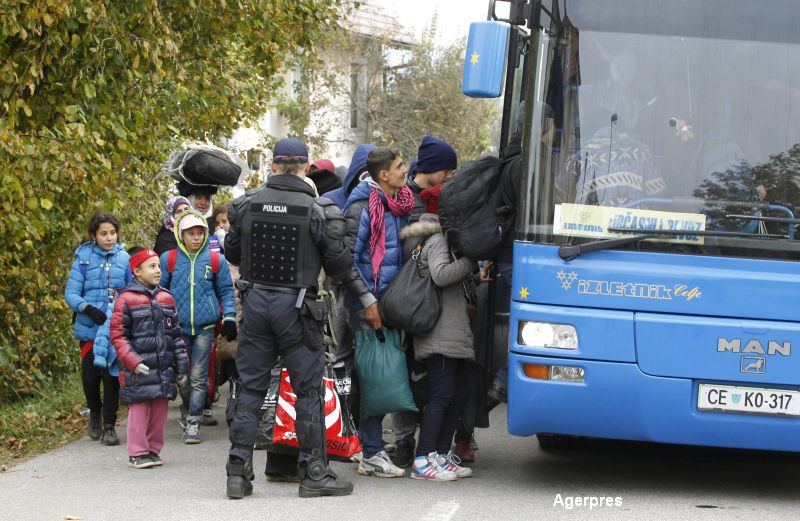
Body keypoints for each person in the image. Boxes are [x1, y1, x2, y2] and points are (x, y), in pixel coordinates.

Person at [224, 137, 378, 499]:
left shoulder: (245, 206)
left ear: (274, 165)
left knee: (249, 388)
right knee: (308, 391)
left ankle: (237, 471)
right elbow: (340, 266)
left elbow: (231, 250)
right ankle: (314, 472)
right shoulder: (318, 209)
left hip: (257, 306)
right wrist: (368, 298)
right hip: (297, 310)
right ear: (306, 167)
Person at [399, 185, 488, 480]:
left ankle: (438, 455)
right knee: (441, 396)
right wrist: (469, 262)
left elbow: (453, 279)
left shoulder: (444, 239)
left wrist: (474, 275)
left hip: (451, 332)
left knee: (457, 396)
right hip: (439, 333)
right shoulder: (438, 239)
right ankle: (424, 459)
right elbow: (440, 275)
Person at [343, 147, 414, 478]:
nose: (405, 170)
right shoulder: (361, 209)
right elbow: (346, 263)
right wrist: (368, 302)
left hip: (389, 304)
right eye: (400, 166)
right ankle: (370, 451)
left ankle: (368, 447)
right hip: (367, 306)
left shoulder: (398, 205)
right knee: (372, 377)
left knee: (381, 374)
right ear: (383, 175)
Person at [159, 209, 237, 444]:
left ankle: (194, 420)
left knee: (198, 376)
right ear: (180, 235)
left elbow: (225, 290)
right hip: (177, 327)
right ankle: (187, 406)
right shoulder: (169, 260)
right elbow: (159, 291)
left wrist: (230, 318)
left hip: (204, 326)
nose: (195, 238)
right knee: (181, 376)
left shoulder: (215, 260)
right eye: (190, 233)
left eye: (199, 233)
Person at [108, 247, 190, 468]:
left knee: (160, 407)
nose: (157, 271)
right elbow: (118, 335)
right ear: (136, 271)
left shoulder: (166, 297)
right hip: (138, 367)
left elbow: (176, 335)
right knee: (139, 407)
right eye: (152, 266)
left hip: (163, 366)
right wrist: (132, 361)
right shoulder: (125, 299)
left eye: (158, 267)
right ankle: (137, 452)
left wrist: (182, 365)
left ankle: (153, 449)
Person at [64, 211, 131, 446]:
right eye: (104, 233)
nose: (109, 237)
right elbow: (70, 293)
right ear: (94, 235)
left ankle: (110, 425)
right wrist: (87, 308)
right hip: (90, 329)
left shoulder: (124, 258)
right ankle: (94, 411)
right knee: (91, 378)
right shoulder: (83, 258)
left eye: (113, 233)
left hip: (115, 329)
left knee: (111, 378)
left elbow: (133, 287)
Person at [406, 136, 458, 222]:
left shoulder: (448, 198)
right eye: (446, 170)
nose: (449, 176)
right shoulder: (401, 199)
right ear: (429, 166)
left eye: (452, 171)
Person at [326, 144, 376, 210]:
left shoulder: (388, 203)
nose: (368, 176)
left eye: (374, 171)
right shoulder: (330, 201)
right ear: (355, 171)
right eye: (365, 170)